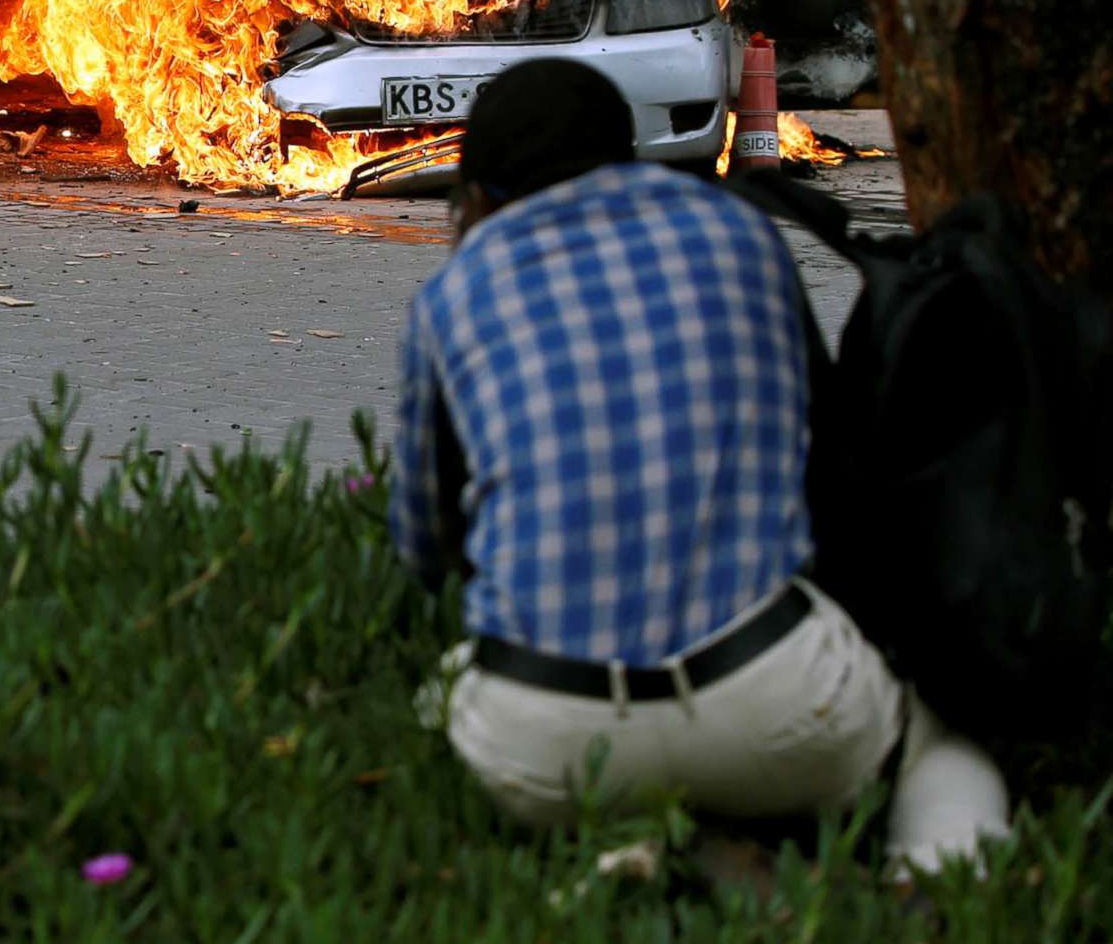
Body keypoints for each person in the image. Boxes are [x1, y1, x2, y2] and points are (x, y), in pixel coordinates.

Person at [390, 58, 1009, 879]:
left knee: (449, 693)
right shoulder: (742, 231)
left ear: (474, 201)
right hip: (775, 698)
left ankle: (636, 850)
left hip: (547, 737)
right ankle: (933, 884)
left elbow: (428, 549)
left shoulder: (451, 295)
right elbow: (827, 464)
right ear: (626, 159)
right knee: (942, 738)